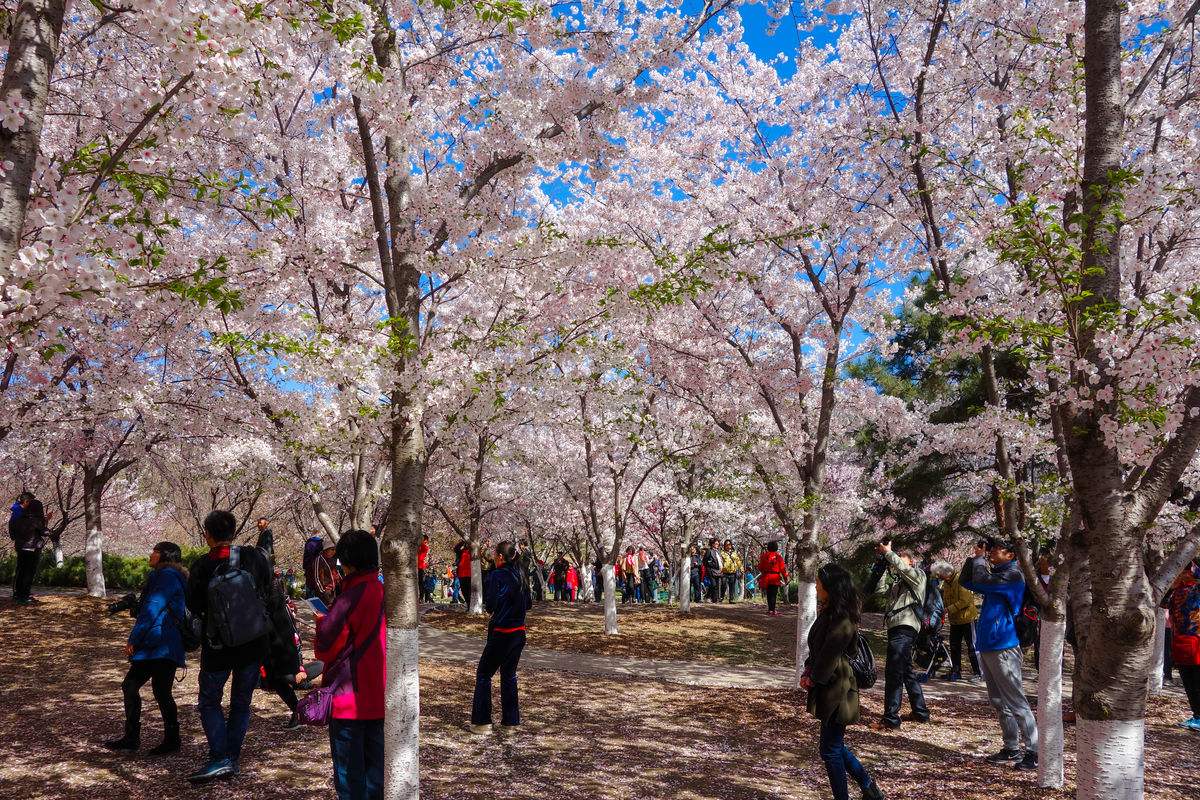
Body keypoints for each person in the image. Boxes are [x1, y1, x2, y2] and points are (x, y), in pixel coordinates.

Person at [186, 509, 292, 783]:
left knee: (209, 701)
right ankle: (231, 757)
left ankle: (220, 756)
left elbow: (193, 605)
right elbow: (268, 590)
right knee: (241, 703)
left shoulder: (202, 565)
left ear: (207, 535)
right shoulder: (253, 558)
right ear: (233, 532)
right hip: (253, 642)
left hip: (217, 646)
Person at [802, 563, 886, 800]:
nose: (816, 587)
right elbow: (817, 649)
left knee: (830, 750)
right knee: (832, 747)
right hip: (829, 686)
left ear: (831, 587)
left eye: (820, 583)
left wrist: (813, 678)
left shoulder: (843, 618)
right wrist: (808, 670)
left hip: (838, 689)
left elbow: (829, 654)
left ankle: (858, 792)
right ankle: (869, 788)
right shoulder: (830, 612)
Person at [314, 529, 387, 800]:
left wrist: (322, 622)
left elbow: (325, 649)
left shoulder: (349, 597)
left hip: (349, 700)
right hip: (377, 695)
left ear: (347, 563)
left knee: (350, 778)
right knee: (374, 776)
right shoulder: (382, 590)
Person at [103, 541, 189, 755]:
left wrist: (134, 638)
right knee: (152, 690)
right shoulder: (169, 576)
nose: (151, 555)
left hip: (159, 642)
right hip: (164, 643)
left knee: (141, 687)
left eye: (155, 552)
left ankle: (150, 739)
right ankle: (157, 739)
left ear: (165, 556)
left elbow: (153, 608)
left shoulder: (166, 576)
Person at [960, 537, 1038, 770]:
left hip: (1004, 645)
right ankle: (1011, 747)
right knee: (998, 701)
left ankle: (1034, 751)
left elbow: (981, 579)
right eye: (990, 548)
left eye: (997, 549)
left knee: (1016, 701)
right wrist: (974, 558)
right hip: (989, 645)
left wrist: (980, 559)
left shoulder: (1012, 575)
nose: (992, 551)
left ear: (1011, 555)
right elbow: (967, 581)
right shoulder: (997, 576)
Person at [471, 540, 532, 734]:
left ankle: (482, 722)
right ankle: (510, 723)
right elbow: (528, 604)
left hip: (501, 633)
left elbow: (490, 605)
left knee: (484, 674)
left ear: (499, 557)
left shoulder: (496, 575)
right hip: (519, 632)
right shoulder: (521, 574)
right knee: (509, 675)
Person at [871, 540, 929, 729]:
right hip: (896, 627)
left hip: (905, 627)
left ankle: (891, 718)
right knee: (906, 671)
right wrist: (882, 566)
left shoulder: (918, 576)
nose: (896, 560)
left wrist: (889, 553)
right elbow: (880, 590)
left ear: (911, 561)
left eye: (900, 558)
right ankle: (920, 712)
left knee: (894, 671)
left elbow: (903, 569)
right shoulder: (898, 583)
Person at [1164, 560, 1200, 728]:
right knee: (1188, 680)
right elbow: (1161, 602)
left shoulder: (1196, 589)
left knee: (1196, 679)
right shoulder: (1174, 593)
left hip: (1196, 640)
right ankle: (1197, 715)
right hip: (1180, 640)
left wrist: (1190, 566)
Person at [941, 562, 981, 681]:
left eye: (940, 575)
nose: (939, 577)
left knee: (972, 646)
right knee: (954, 646)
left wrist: (948, 609)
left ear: (947, 574)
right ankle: (956, 671)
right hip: (955, 620)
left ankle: (978, 673)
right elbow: (945, 598)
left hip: (968, 619)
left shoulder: (960, 580)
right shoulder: (946, 583)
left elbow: (965, 601)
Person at [8, 491, 48, 606]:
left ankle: (18, 594)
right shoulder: (36, 519)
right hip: (32, 548)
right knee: (29, 572)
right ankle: (24, 596)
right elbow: (44, 532)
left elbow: (12, 534)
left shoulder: (17, 517)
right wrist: (46, 522)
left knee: (21, 570)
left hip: (20, 547)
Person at [759, 541, 789, 616]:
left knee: (769, 593)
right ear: (776, 547)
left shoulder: (764, 556)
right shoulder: (778, 556)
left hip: (766, 577)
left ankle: (770, 610)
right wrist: (785, 578)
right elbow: (782, 569)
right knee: (773, 594)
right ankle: (773, 610)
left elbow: (760, 567)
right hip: (775, 577)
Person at [703, 538, 723, 603]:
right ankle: (714, 600)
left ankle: (708, 597)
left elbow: (720, 560)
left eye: (718, 543)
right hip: (711, 570)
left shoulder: (718, 551)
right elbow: (704, 561)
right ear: (712, 544)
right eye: (716, 543)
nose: (717, 544)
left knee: (716, 585)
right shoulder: (709, 551)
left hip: (718, 570)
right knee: (713, 585)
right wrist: (711, 564)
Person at [454, 538, 473, 609]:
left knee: (469, 591)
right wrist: (463, 541)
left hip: (470, 574)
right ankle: (468, 604)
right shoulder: (461, 552)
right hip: (461, 574)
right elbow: (456, 549)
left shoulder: (473, 552)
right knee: (464, 590)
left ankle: (470, 606)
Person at [417, 534, 431, 603]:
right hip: (416, 566)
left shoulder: (425, 547)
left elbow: (421, 545)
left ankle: (421, 597)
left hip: (420, 566)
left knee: (420, 582)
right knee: (419, 582)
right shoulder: (420, 546)